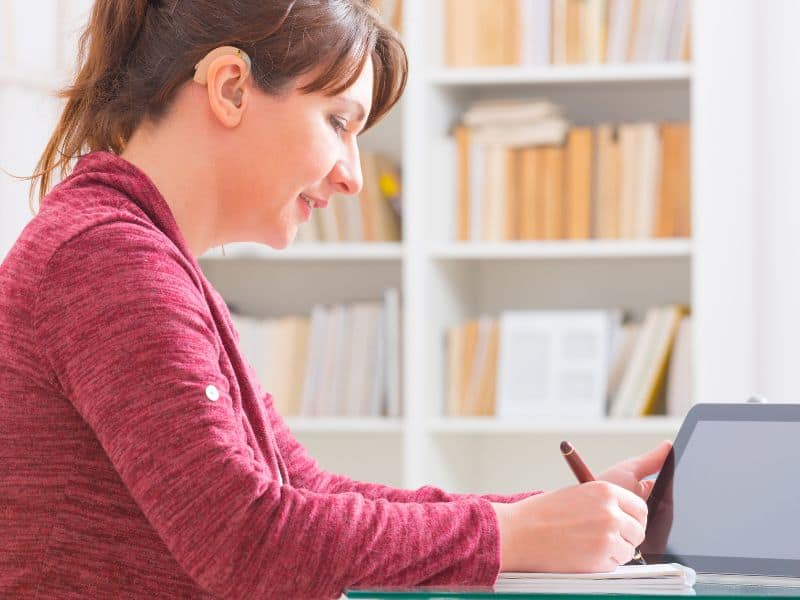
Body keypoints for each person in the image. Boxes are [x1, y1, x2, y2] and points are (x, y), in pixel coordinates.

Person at [0, 1, 672, 598]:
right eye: (338, 121)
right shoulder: (106, 259)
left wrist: (555, 516)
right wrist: (511, 532)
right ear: (231, 87)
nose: (352, 176)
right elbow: (249, 542)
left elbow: (304, 495)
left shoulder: (137, 255)